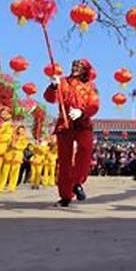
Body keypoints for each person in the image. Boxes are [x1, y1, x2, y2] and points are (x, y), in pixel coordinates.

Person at [43, 59, 100, 207]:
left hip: (83, 123)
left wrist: (82, 112)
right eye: (74, 65)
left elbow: (94, 105)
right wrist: (53, 87)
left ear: (85, 70)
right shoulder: (62, 82)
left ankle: (77, 182)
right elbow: (50, 99)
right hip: (65, 124)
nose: (75, 68)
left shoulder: (90, 87)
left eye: (79, 67)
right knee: (64, 161)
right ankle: (65, 196)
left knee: (85, 150)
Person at [0, 124, 29, 192]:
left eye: (22, 130)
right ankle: (0, 186)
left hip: (17, 155)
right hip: (9, 154)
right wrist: (11, 143)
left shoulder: (25, 138)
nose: (20, 131)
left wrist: (17, 146)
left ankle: (11, 187)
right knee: (4, 172)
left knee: (14, 172)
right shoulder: (12, 136)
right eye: (19, 129)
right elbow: (8, 143)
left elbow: (24, 146)